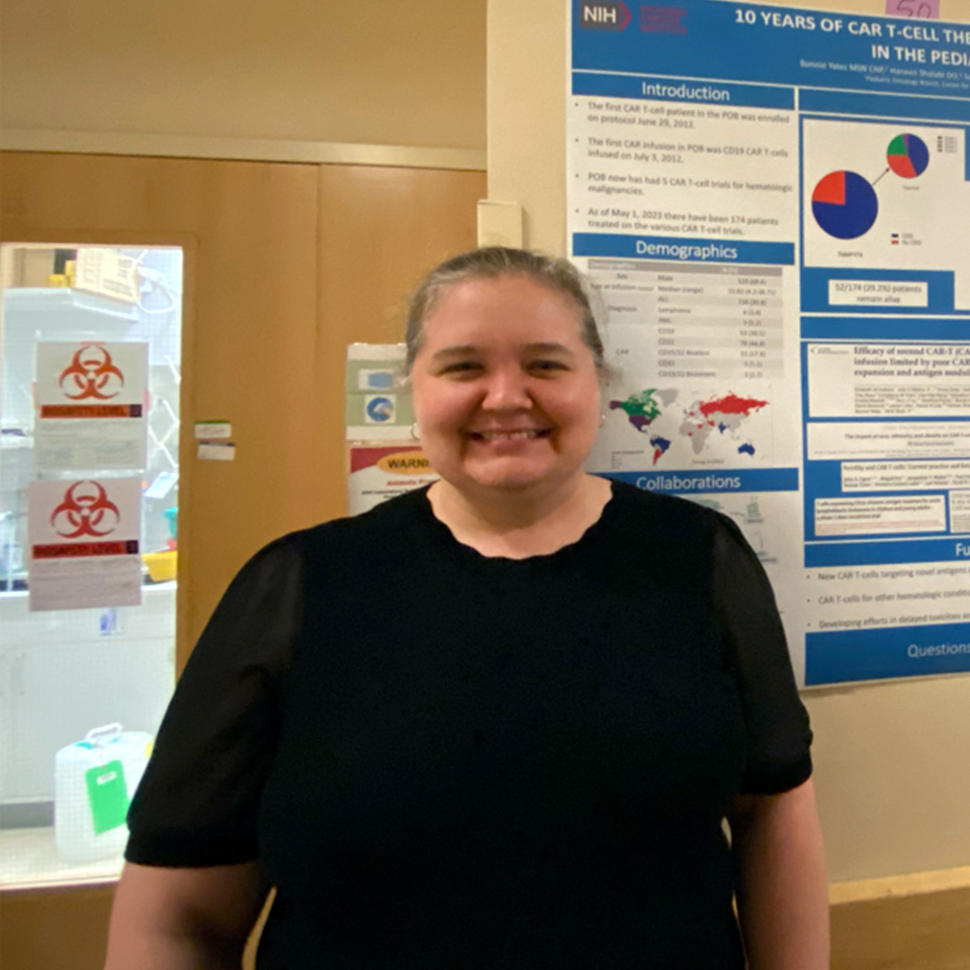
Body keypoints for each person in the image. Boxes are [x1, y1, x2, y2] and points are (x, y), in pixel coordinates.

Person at [105, 247, 829, 969]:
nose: (507, 396)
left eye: (546, 364)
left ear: (598, 384)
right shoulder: (295, 587)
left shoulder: (699, 558)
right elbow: (175, 920)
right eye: (464, 367)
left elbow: (773, 811)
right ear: (412, 388)